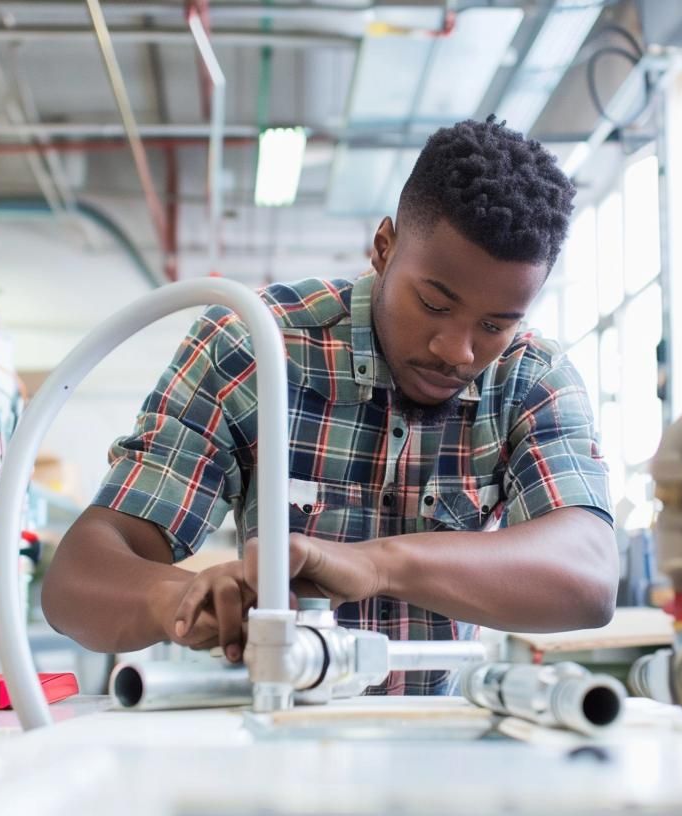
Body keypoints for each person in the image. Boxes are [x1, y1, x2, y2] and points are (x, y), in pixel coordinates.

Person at [43, 116, 619, 695]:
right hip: (276, 747)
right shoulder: (252, 347)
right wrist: (179, 597)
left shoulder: (531, 378)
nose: (458, 350)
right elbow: (76, 582)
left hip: (442, 747)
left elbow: (589, 578)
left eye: (494, 324)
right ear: (384, 247)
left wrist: (376, 566)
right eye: (434, 304)